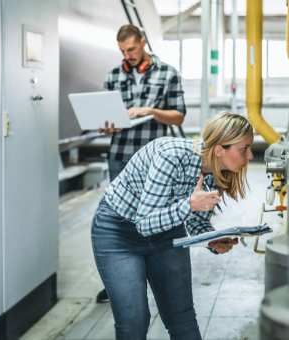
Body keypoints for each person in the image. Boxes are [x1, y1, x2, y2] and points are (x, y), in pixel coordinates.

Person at [91, 112, 254, 340]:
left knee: (181, 316)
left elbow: (196, 221)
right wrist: (189, 205)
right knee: (134, 321)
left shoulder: (213, 170)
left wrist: (211, 239)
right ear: (219, 149)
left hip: (167, 232)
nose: (250, 156)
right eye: (244, 149)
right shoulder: (172, 155)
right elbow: (145, 224)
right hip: (119, 233)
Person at [95, 24, 187, 303]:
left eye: (132, 49)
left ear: (143, 42)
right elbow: (105, 117)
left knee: (153, 216)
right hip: (120, 155)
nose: (128, 55)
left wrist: (150, 110)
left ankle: (157, 275)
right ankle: (123, 279)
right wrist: (106, 127)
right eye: (123, 51)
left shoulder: (167, 73)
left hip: (153, 159)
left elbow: (179, 116)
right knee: (121, 217)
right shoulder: (113, 76)